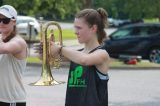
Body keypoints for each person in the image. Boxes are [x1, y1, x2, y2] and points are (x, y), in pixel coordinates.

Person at [36, 8, 110, 106]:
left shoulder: (102, 54)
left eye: (79, 28)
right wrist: (45, 50)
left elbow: (84, 60)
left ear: (93, 28)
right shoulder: (76, 54)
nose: (75, 32)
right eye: (75, 28)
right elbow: (46, 59)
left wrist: (59, 48)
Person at [0, 5, 27, 106]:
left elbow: (4, 49)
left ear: (14, 21)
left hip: (12, 100)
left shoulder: (18, 41)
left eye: (5, 20)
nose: (1, 23)